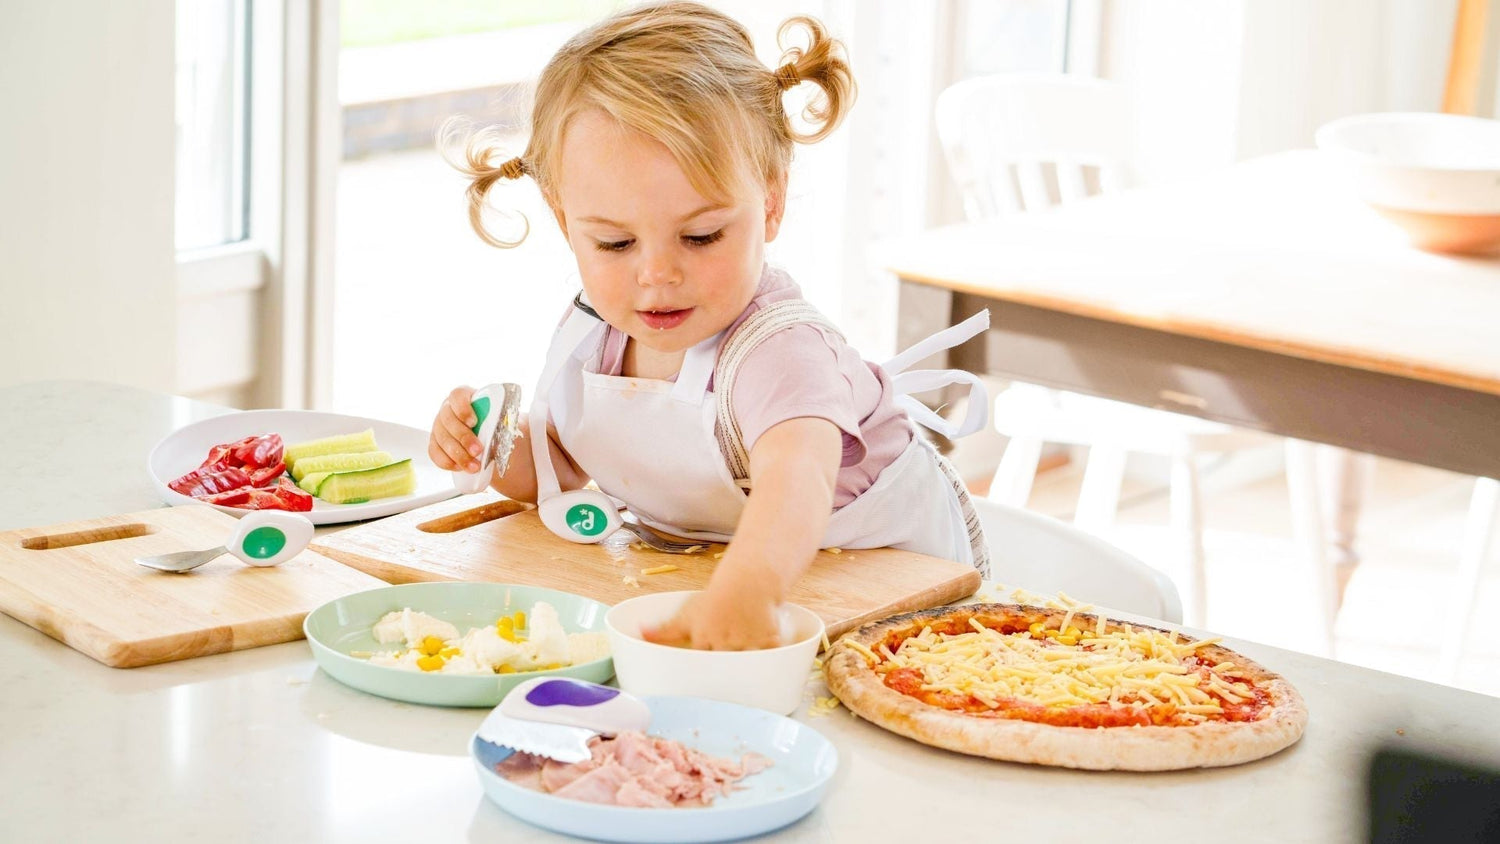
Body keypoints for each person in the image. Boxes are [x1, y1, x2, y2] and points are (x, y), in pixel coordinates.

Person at [427, 1, 990, 651]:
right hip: (723, 587)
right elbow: (555, 468)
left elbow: (797, 480)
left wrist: (746, 589)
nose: (657, 273)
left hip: (892, 602)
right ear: (563, 219)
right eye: (614, 243)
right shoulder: (594, 332)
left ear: (771, 204)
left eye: (700, 236)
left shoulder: (779, 351)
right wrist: (491, 448)